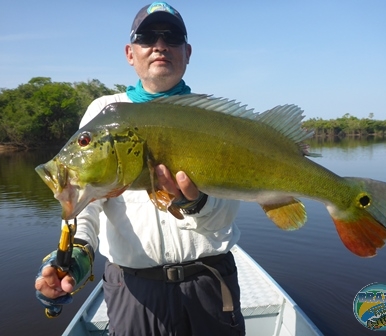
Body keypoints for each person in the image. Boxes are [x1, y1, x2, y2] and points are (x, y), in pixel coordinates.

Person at [35, 2, 245, 335]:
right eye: (147, 37)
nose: (160, 45)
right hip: (134, 292)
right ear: (130, 53)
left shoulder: (213, 122)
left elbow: (223, 219)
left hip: (209, 285)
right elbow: (86, 207)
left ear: (187, 52)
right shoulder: (106, 111)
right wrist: (76, 257)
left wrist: (195, 204)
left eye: (172, 37)